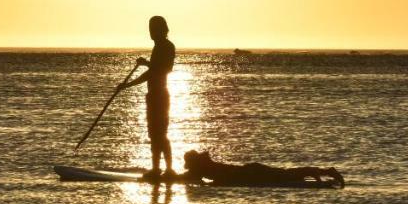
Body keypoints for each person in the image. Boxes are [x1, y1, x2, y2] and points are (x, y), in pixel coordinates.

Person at [117, 15, 176, 175]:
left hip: (160, 95)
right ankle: (156, 168)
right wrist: (147, 64)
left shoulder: (167, 46)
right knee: (154, 133)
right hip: (153, 95)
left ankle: (169, 169)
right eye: (150, 29)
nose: (150, 32)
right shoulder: (158, 47)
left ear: (161, 30)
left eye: (153, 29)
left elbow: (160, 70)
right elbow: (155, 69)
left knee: (160, 133)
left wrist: (128, 84)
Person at [181, 149, 344, 187]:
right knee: (286, 174)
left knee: (286, 175)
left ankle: (326, 172)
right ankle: (323, 172)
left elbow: (187, 177)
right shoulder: (205, 167)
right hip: (251, 172)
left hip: (251, 173)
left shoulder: (204, 168)